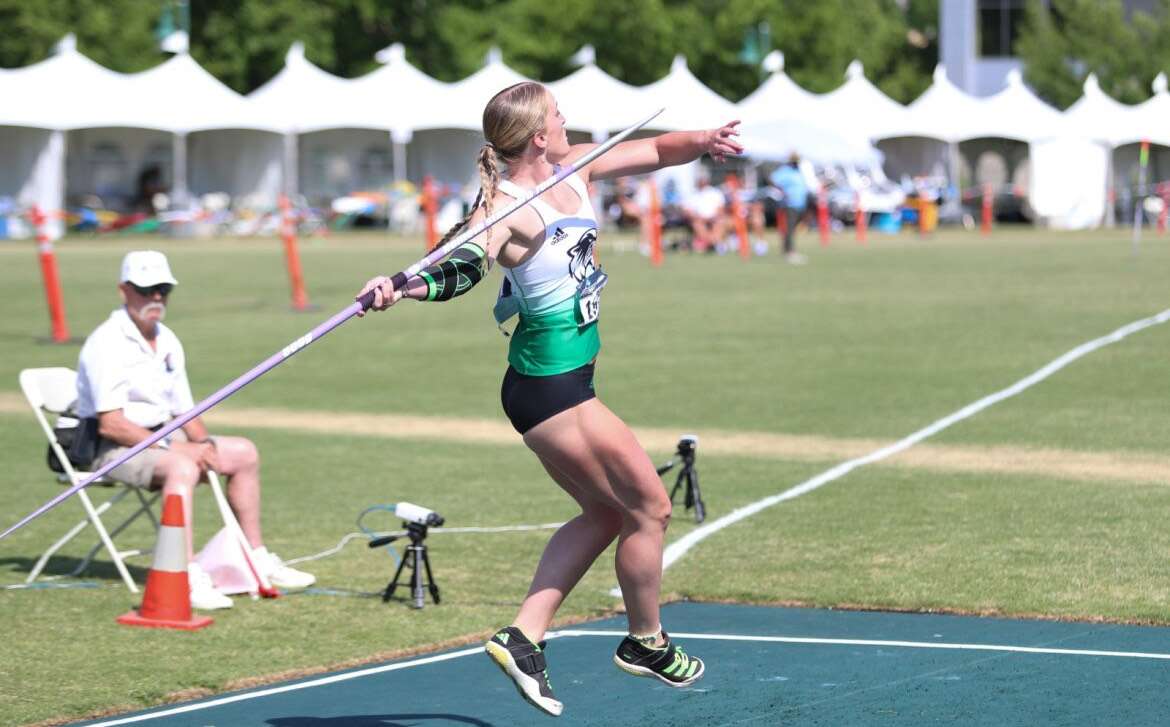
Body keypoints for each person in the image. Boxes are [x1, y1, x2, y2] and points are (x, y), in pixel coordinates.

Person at [356, 82, 741, 717]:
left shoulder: (570, 166)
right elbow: (460, 263)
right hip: (550, 389)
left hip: (561, 384)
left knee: (605, 514)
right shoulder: (510, 208)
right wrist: (400, 287)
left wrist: (702, 142)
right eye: (559, 116)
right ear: (538, 135)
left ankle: (523, 637)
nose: (567, 122)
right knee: (650, 506)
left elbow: (650, 152)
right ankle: (647, 641)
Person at [76, 250, 315, 610]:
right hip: (109, 448)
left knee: (243, 452)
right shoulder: (106, 342)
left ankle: (256, 556)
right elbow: (112, 424)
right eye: (147, 289)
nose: (156, 297)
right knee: (182, 467)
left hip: (158, 439)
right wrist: (178, 452)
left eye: (163, 289)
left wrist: (203, 445)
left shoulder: (167, 339)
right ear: (124, 290)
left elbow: (186, 410)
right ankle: (184, 573)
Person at [769, 152, 809, 264]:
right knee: (789, 229)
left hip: (799, 204)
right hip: (790, 204)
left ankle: (787, 250)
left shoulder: (798, 171)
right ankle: (789, 252)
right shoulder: (785, 171)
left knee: (792, 229)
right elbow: (773, 179)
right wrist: (782, 191)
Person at [680, 171, 727, 252]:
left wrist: (712, 217)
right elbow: (686, 210)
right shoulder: (692, 193)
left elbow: (721, 209)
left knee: (720, 222)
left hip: (714, 218)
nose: (702, 181)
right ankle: (714, 244)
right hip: (698, 219)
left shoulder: (715, 192)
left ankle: (710, 244)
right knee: (697, 224)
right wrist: (697, 217)